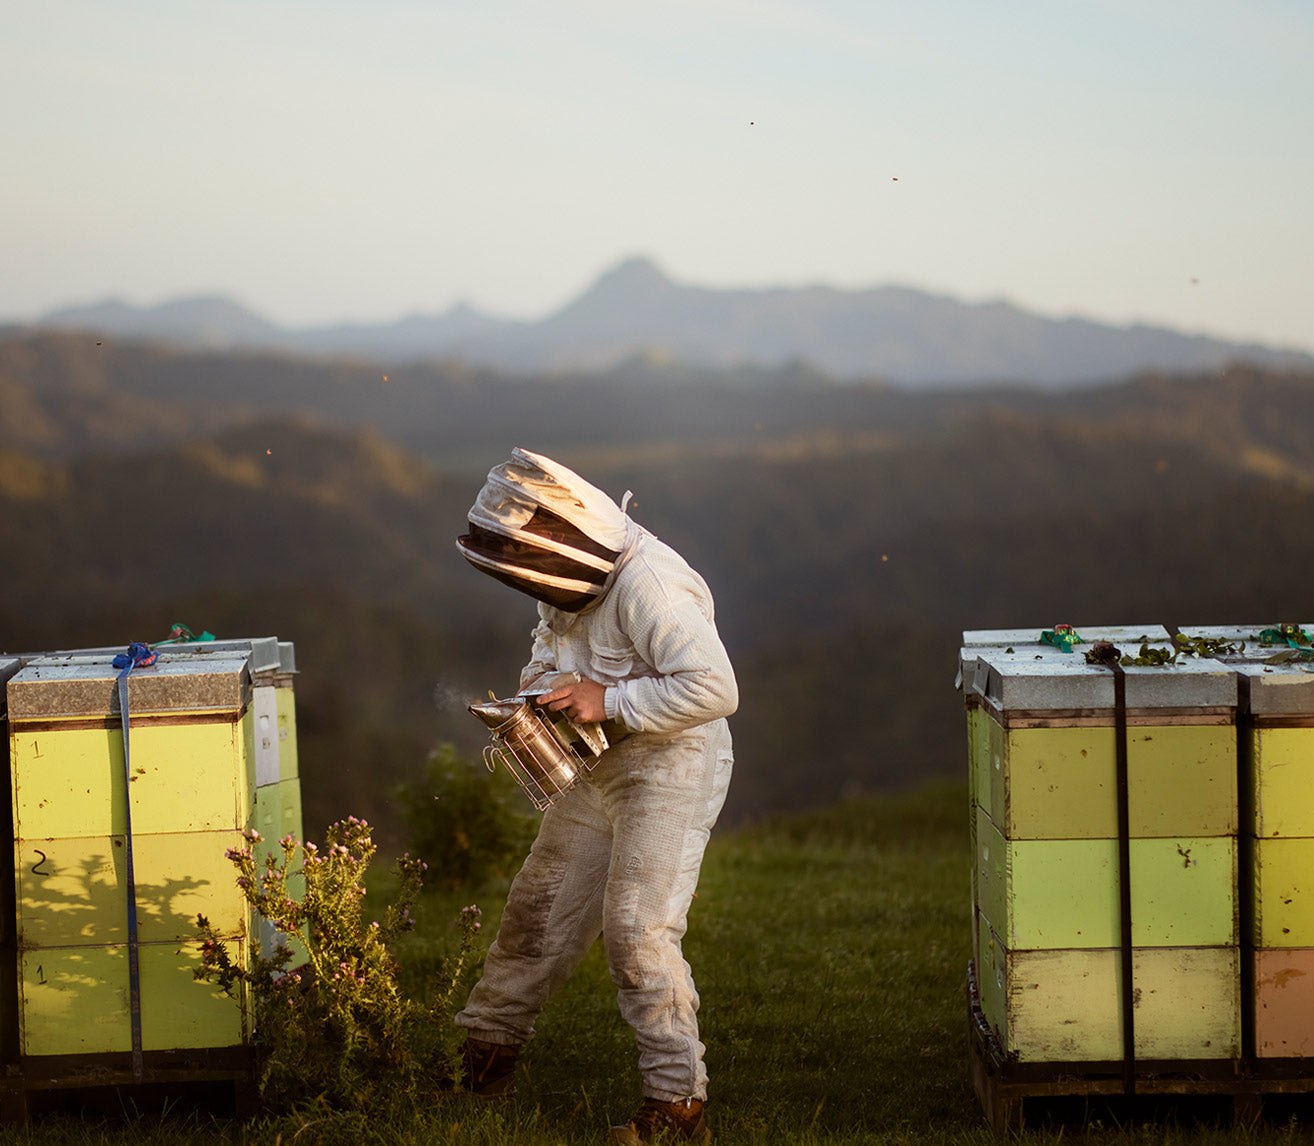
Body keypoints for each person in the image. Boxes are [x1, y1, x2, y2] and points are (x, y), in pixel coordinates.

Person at [453, 447, 738, 1144]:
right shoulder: (566, 582)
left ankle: (676, 1104)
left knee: (638, 932)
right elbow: (550, 646)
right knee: (537, 911)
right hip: (598, 764)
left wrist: (606, 699)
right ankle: (483, 1061)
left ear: (567, 537)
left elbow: (715, 688)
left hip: (671, 765)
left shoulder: (651, 586)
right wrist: (537, 692)